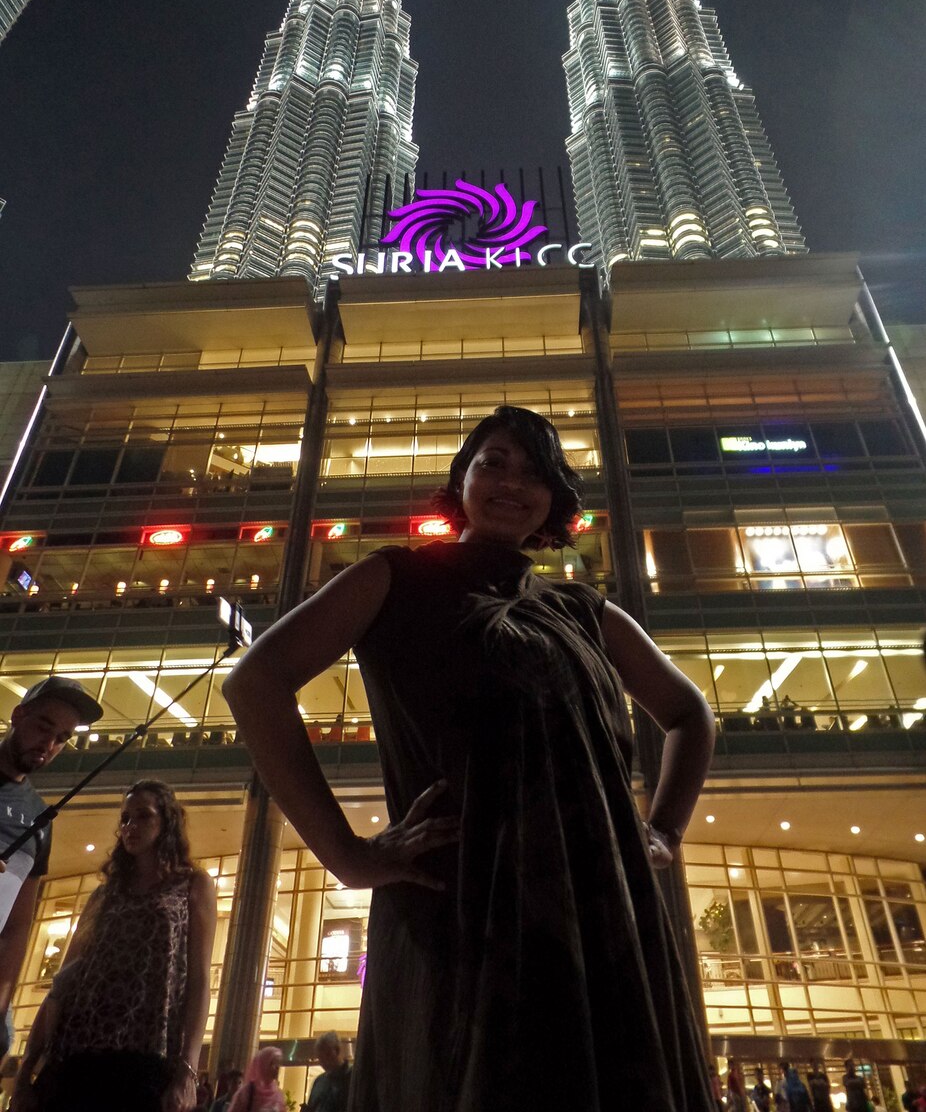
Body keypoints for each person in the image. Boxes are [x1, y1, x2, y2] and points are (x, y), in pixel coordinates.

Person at [224, 406, 718, 1112]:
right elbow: (255, 682)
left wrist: (664, 832)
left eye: (534, 471)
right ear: (460, 481)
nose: (511, 482)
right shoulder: (393, 577)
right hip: (456, 906)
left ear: (555, 499)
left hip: (597, 908)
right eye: (494, 462)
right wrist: (349, 855)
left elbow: (689, 714)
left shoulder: (586, 612)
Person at [11, 779, 216, 1112]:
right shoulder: (104, 894)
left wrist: (188, 1071)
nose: (131, 826)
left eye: (144, 816)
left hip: (148, 1054)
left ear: (166, 822)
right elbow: (63, 983)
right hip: (77, 1052)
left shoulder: (193, 884)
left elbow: (199, 980)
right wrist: (26, 1072)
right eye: (125, 818)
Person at [0, 677, 102, 1059]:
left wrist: (2, 1002)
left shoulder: (39, 817)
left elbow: (16, 926)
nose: (49, 745)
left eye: (62, 737)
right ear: (17, 716)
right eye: (44, 727)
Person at [303, 1032, 351, 1112]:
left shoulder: (352, 1077)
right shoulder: (319, 1081)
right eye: (320, 1058)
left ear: (337, 1050)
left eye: (327, 1055)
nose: (324, 1061)